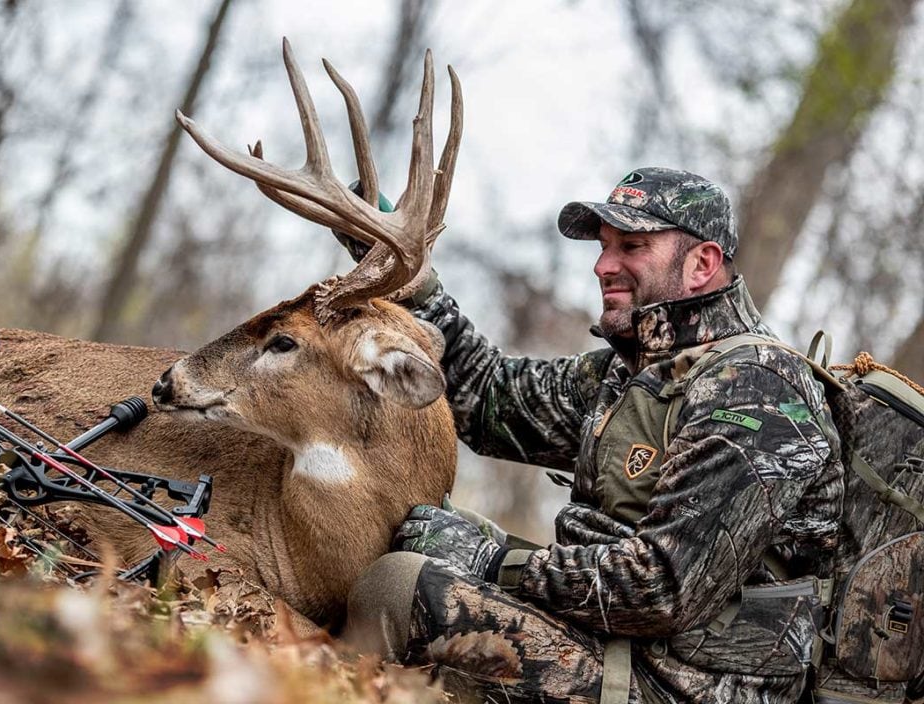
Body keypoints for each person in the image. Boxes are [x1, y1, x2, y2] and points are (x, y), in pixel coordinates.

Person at [341, 167, 844, 703]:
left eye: (632, 245)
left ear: (702, 264)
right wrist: (410, 277)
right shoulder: (633, 372)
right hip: (617, 643)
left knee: (396, 586)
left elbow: (662, 586)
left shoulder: (757, 390)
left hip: (685, 685)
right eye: (604, 247)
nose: (604, 266)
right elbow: (490, 400)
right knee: (418, 526)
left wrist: (491, 561)